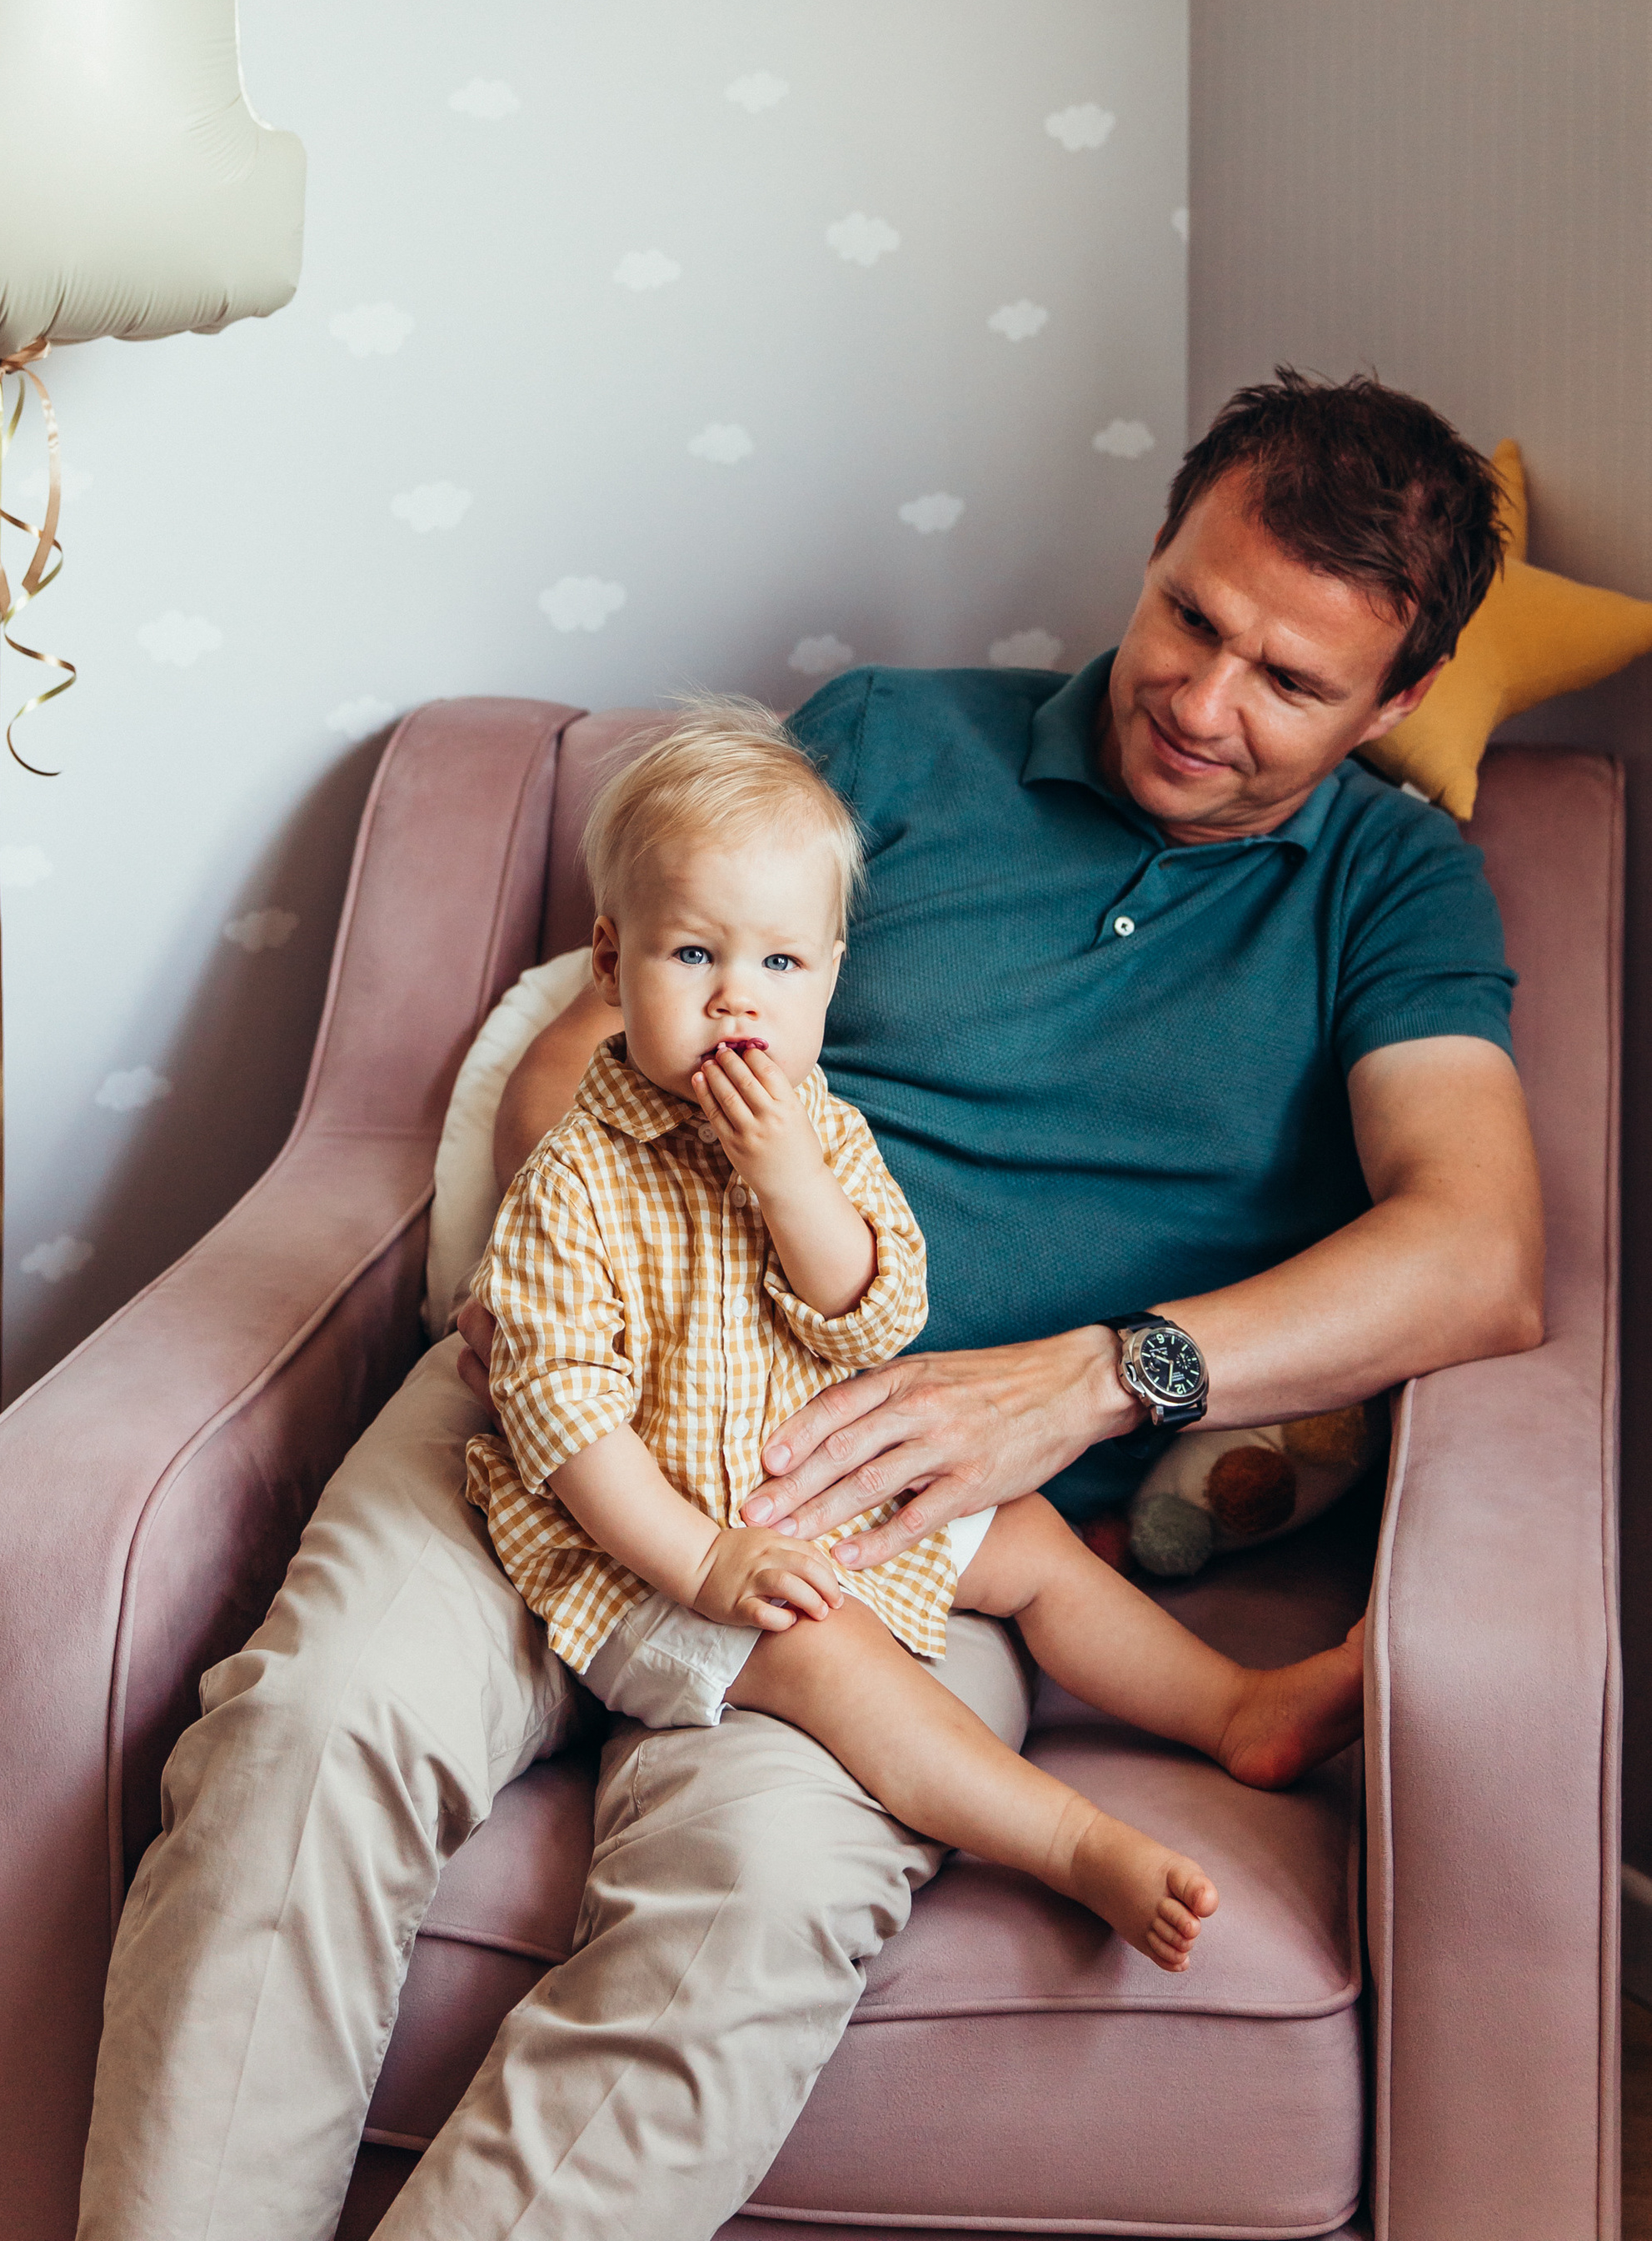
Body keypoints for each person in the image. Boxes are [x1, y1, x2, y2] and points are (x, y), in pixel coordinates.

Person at [78, 370, 1544, 2241]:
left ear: (1393, 705)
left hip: (918, 1525)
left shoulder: (1387, 885)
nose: (1198, 700)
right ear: (1155, 546)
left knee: (754, 1907)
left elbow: (1476, 1254)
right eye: (1191, 615)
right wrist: (582, 1300)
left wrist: (1094, 1382)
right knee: (305, 1735)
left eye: (1288, 684)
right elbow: (585, 1041)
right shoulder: (887, 741)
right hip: (581, 1393)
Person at [467, 702, 1365, 1984]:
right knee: (834, 1657)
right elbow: (570, 1432)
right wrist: (710, 1562)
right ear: (610, 965)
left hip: (812, 1477)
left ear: (834, 971)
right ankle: (1069, 1841)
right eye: (692, 957)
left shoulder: (822, 1133)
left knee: (1031, 1537)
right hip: (648, 1546)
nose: (738, 1000)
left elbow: (876, 1310)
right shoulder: (577, 1178)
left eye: (781, 966)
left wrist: (787, 1180)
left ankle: (1237, 1709)